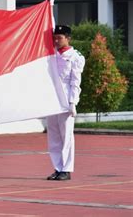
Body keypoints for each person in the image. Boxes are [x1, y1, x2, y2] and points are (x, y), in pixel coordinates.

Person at [46, 25, 85, 181]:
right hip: (51, 99)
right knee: (54, 136)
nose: (56, 40)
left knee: (66, 136)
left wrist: (73, 102)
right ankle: (57, 167)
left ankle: (67, 169)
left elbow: (76, 82)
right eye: (55, 37)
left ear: (68, 38)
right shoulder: (51, 54)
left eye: (59, 37)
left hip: (66, 100)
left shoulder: (76, 57)